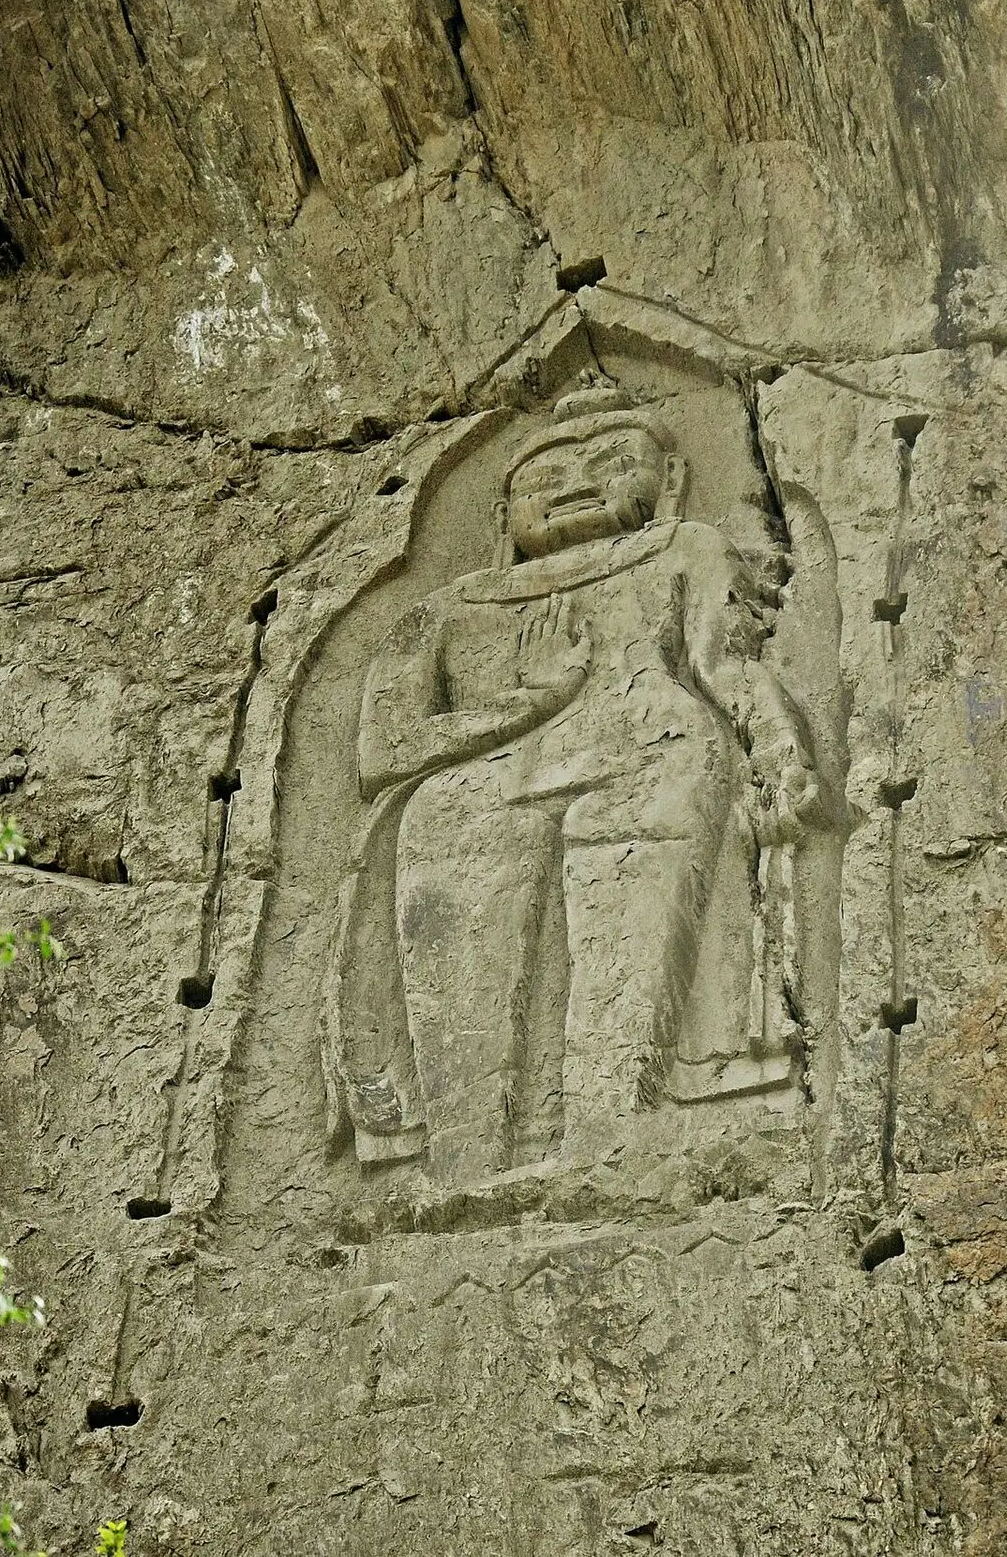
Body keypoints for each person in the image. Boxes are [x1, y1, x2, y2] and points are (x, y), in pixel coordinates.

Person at [328, 386, 828, 1185]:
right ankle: (462, 1169)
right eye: (545, 477)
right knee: (461, 951)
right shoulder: (446, 609)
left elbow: (726, 664)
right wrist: (529, 703)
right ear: (503, 513)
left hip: (646, 754)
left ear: (669, 479)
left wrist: (779, 748)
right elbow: (383, 751)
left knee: (621, 966)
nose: (575, 485)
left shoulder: (684, 549)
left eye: (610, 462)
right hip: (472, 793)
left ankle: (607, 1150)